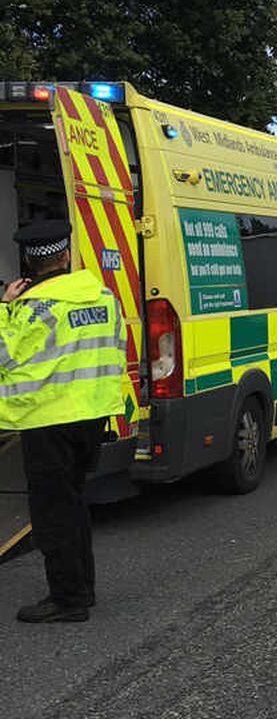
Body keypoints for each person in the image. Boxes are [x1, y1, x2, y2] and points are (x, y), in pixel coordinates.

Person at [0, 220, 125, 622]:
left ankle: (68, 600)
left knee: (54, 511)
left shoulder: (32, 309)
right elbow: (116, 346)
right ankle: (82, 590)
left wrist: (5, 306)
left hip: (48, 420)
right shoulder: (103, 296)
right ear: (66, 255)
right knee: (74, 504)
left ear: (28, 264)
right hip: (92, 416)